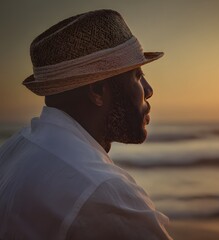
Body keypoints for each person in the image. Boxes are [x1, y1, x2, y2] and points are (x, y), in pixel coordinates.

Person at [0, 9, 172, 240]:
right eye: (137, 76)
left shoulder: (14, 150)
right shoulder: (103, 190)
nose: (149, 91)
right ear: (97, 91)